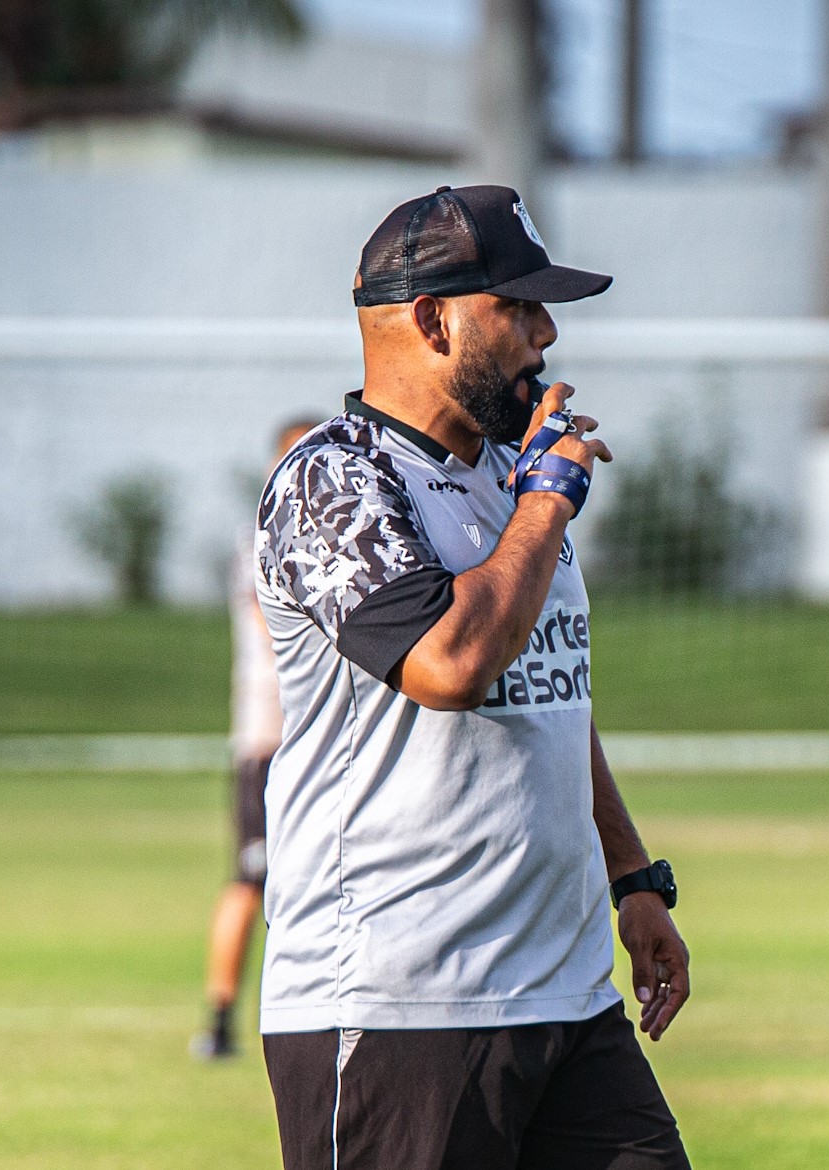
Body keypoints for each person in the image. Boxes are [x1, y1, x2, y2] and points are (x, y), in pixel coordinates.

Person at [253, 184, 692, 1169]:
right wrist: (545, 503)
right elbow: (450, 665)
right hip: (394, 1005)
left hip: (566, 993)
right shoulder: (334, 480)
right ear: (431, 317)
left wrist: (633, 879)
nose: (545, 337)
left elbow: (552, 699)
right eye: (520, 308)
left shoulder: (513, 474)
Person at [194, 418, 319, 1061]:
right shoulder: (265, 540)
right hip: (271, 744)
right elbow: (282, 628)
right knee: (252, 882)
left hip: (322, 742)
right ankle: (219, 1019)